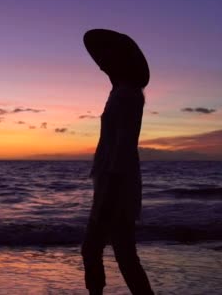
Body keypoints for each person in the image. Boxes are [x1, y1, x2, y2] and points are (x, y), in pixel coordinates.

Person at [81, 29, 154, 295]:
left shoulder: (127, 95)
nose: (100, 62)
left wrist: (109, 191)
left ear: (119, 60)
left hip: (116, 181)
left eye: (105, 56)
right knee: (123, 254)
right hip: (113, 181)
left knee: (94, 250)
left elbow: (122, 147)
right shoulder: (120, 93)